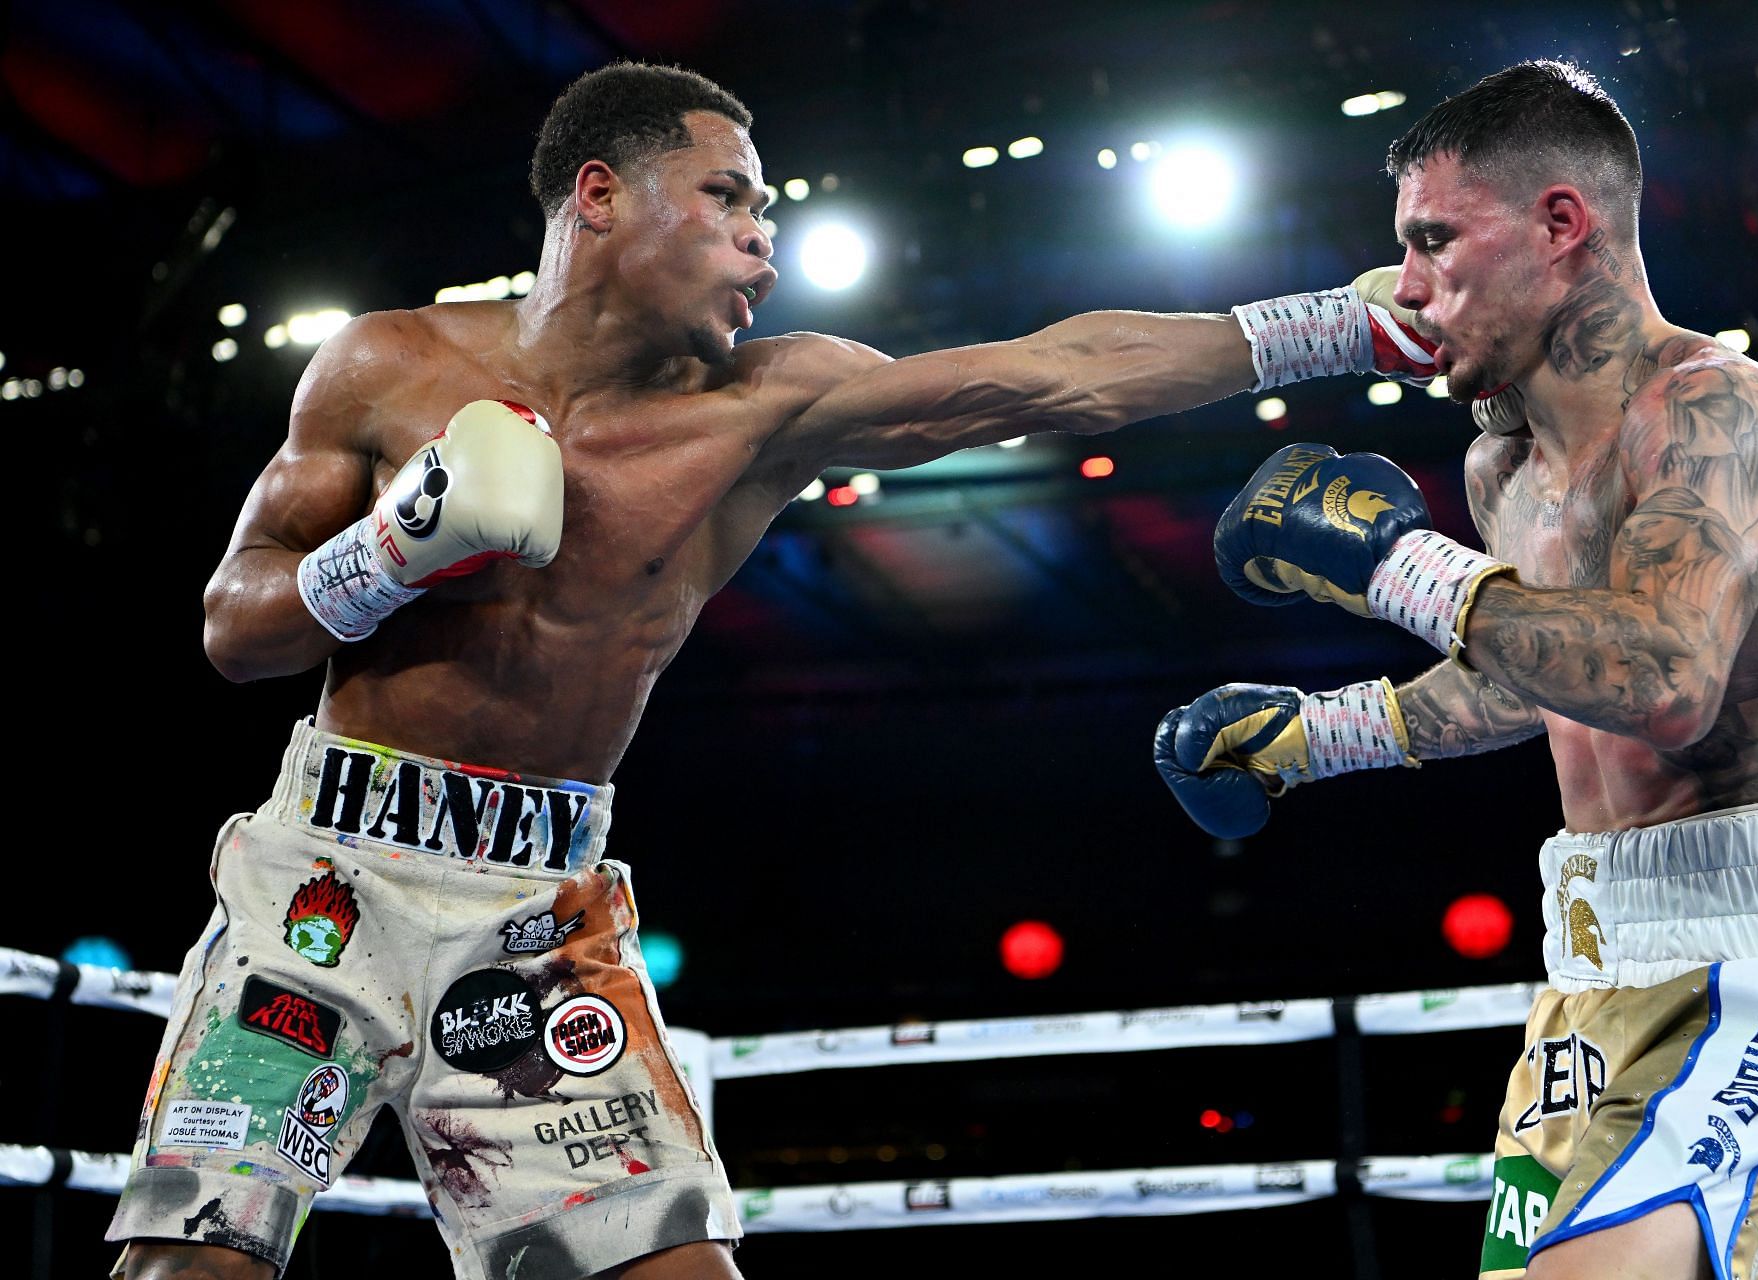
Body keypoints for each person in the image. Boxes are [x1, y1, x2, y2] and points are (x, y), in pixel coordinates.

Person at [109, 61, 1440, 1280]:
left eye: (772, 205)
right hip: (324, 888)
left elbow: (1053, 379)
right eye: (729, 194)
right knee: (191, 1266)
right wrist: (392, 552)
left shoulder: (765, 410)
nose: (767, 232)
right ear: (602, 195)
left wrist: (1333, 327)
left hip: (538, 919)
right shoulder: (387, 365)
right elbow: (237, 628)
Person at [1154, 61, 1758, 1280]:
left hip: (1755, 960)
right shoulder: (1507, 468)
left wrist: (1393, 566)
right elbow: (1544, 674)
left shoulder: (1717, 411)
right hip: (1587, 969)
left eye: (1434, 240)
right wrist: (1316, 734)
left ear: (1562, 225)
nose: (1406, 288)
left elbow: (1662, 679)